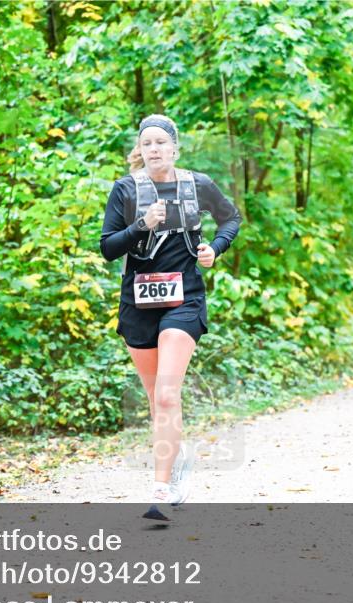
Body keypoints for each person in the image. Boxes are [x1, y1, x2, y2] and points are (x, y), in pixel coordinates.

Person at [100, 114, 241, 521]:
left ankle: (160, 492)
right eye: (148, 144)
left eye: (162, 142)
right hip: (138, 303)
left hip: (185, 299)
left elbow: (230, 218)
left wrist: (216, 247)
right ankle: (177, 459)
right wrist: (141, 225)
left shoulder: (197, 185)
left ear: (175, 147)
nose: (155, 149)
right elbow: (108, 247)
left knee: (166, 394)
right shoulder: (125, 190)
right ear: (139, 150)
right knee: (155, 400)